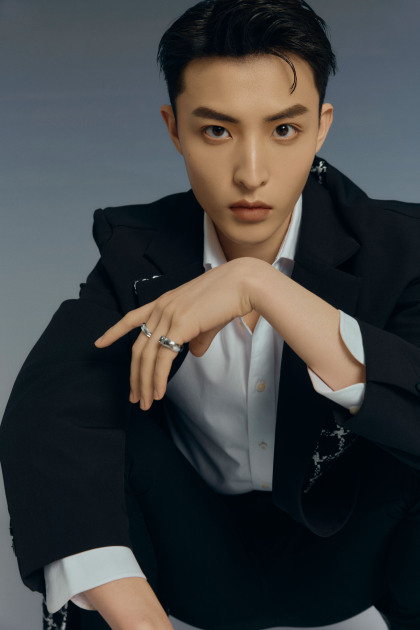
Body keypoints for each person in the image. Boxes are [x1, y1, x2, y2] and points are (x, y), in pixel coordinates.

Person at [1, 0, 420, 629]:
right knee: (81, 421)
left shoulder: (400, 245)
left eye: (284, 130)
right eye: (217, 131)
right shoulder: (135, 249)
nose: (251, 174)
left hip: (351, 555)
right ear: (174, 129)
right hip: (189, 565)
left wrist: (259, 285)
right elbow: (48, 415)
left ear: (321, 127)